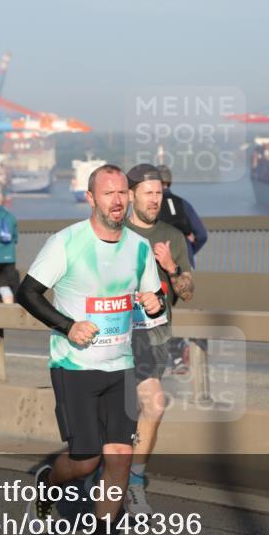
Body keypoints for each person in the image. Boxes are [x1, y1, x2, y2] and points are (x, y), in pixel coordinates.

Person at [16, 164, 163, 535]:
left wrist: (156, 304)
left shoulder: (139, 248)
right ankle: (47, 484)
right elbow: (27, 293)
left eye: (122, 193)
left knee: (119, 456)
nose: (117, 200)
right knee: (85, 461)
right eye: (108, 193)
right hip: (74, 366)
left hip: (121, 366)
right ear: (91, 198)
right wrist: (68, 325)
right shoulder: (66, 243)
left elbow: (152, 302)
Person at [122, 164, 195, 515]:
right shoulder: (114, 232)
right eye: (148, 193)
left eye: (159, 194)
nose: (155, 200)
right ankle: (101, 474)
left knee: (153, 406)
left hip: (153, 338)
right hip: (113, 339)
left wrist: (171, 267)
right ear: (130, 194)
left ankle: (133, 484)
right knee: (114, 415)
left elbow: (188, 292)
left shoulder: (172, 237)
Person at [156, 165, 208, 372]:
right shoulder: (182, 203)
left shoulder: (151, 206)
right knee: (174, 310)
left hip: (161, 266)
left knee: (160, 311)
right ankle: (181, 350)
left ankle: (177, 353)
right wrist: (189, 254)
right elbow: (202, 234)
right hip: (183, 266)